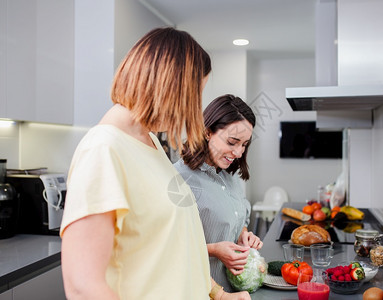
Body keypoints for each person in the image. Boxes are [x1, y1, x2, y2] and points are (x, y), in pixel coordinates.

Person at [60, 28, 250, 300]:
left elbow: (175, 248)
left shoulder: (152, 147)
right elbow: (83, 286)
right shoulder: (104, 150)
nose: (194, 108)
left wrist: (220, 295)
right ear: (170, 86)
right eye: (195, 93)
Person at [174, 94, 263, 292]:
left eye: (244, 144)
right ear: (207, 132)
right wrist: (214, 250)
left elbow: (237, 221)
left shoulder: (229, 176)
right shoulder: (178, 180)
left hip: (233, 292)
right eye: (232, 142)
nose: (239, 152)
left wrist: (243, 235)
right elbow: (168, 248)